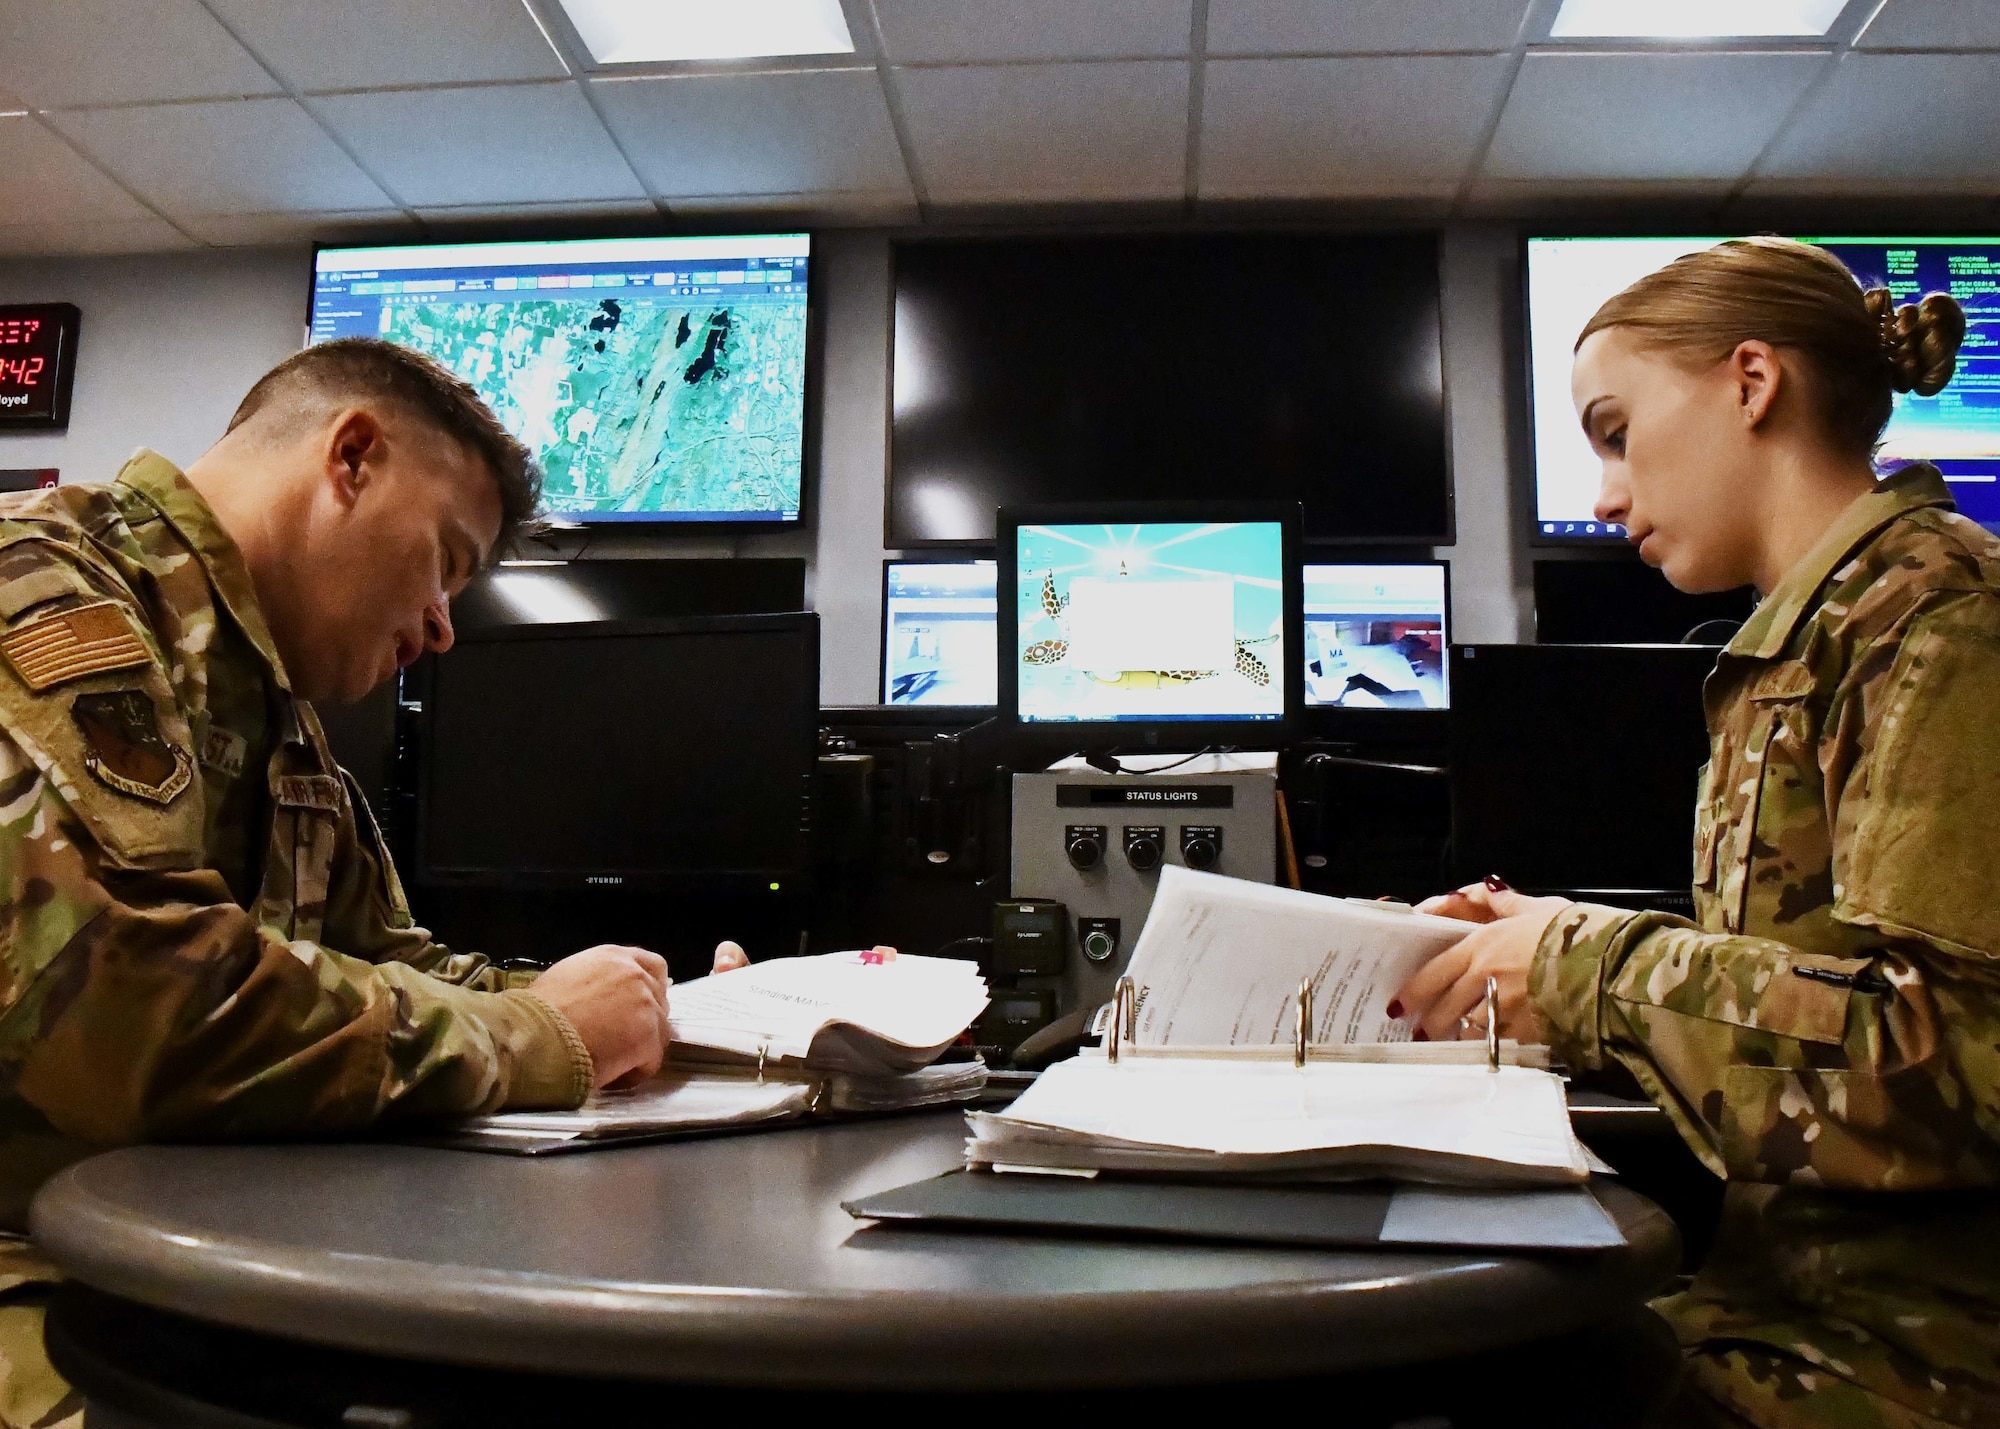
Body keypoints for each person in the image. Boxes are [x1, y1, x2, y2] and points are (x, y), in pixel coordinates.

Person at [0, 337, 747, 1427]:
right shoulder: (51, 595)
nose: (445, 626)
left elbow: (399, 964)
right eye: (445, 559)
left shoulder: (279, 723)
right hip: (38, 1276)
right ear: (350, 457)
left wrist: (648, 1012)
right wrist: (543, 1038)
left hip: (178, 1272)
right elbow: (131, 1010)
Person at [1393, 237, 2000, 1427]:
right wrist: (1546, 945)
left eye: (1615, 431)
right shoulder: (1810, 635)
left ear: (1751, 382)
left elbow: (1957, 1059)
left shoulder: (1942, 622)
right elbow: (1811, 970)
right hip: (1784, 1311)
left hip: (1900, 1368)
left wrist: (1584, 969)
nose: (1602, 493)